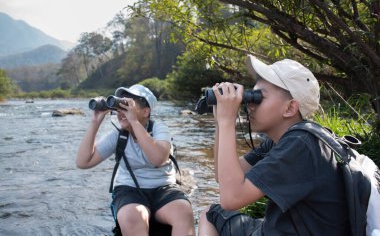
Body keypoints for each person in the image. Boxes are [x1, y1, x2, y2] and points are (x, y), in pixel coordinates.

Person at [198, 55, 350, 235]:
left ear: (290, 108)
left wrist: (227, 122)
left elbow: (231, 198)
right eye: (251, 95)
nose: (250, 105)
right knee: (210, 213)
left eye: (258, 97)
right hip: (281, 229)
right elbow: (221, 176)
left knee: (212, 214)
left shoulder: (301, 145)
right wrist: (220, 122)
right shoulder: (284, 140)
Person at [76, 84, 195, 236]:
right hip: (129, 190)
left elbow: (158, 159)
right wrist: (95, 122)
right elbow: (83, 162)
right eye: (120, 107)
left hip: (163, 188)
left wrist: (134, 123)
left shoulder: (159, 129)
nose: (122, 112)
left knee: (183, 212)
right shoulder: (119, 135)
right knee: (132, 217)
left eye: (128, 106)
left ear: (146, 111)